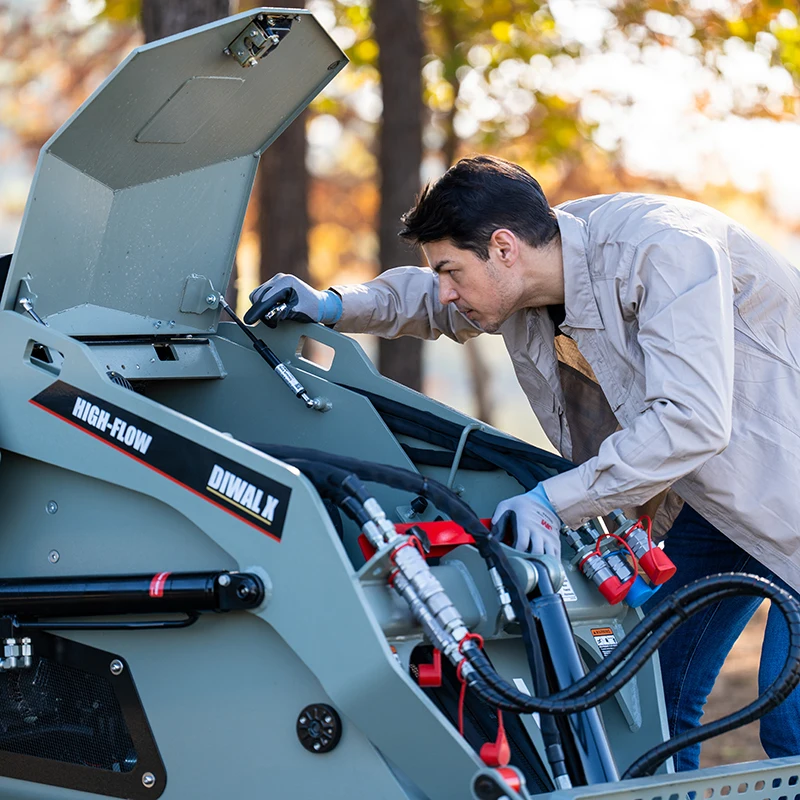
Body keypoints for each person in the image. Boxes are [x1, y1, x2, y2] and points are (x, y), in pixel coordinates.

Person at [246, 155, 800, 770]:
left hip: (782, 480)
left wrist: (550, 501)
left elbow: (690, 420)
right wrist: (329, 306)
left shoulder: (664, 252)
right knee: (648, 700)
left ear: (503, 247)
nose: (447, 289)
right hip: (716, 497)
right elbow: (428, 301)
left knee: (790, 718)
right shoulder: (534, 274)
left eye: (452, 270)